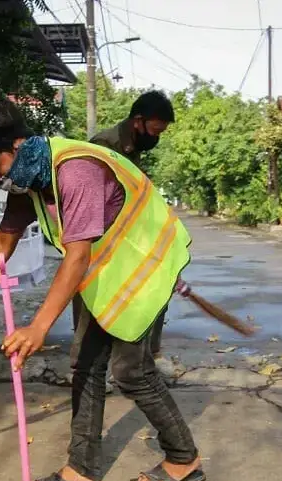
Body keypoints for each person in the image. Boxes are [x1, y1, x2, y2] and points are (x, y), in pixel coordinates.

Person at [0, 98, 204, 481]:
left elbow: (76, 256)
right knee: (85, 365)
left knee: (132, 371)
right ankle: (82, 467)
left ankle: (184, 459)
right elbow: (2, 243)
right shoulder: (28, 179)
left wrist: (37, 327)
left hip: (145, 267)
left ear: (18, 145)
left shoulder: (76, 171)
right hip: (107, 271)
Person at [89, 90, 175, 359]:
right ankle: (127, 365)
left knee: (158, 288)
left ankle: (146, 358)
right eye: (155, 130)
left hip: (129, 238)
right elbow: (100, 204)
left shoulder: (131, 147)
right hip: (107, 243)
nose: (157, 137)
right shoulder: (106, 145)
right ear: (138, 121)